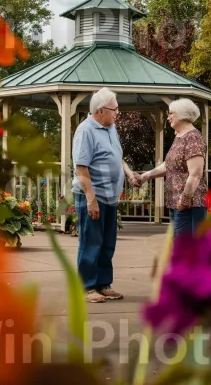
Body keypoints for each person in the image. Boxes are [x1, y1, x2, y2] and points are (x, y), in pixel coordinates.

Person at [72, 87, 140, 303]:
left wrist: (129, 174)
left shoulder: (111, 128)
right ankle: (87, 287)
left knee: (107, 243)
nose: (117, 112)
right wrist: (91, 199)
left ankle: (103, 284)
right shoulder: (86, 131)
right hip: (93, 195)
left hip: (111, 196)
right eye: (114, 109)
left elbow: (117, 157)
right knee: (91, 241)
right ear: (100, 110)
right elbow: (81, 169)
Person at [140, 98, 207, 237]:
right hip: (176, 203)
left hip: (189, 205)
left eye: (171, 113)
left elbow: (195, 174)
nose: (168, 116)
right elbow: (169, 164)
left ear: (182, 115)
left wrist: (185, 199)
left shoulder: (193, 138)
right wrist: (146, 176)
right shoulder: (179, 137)